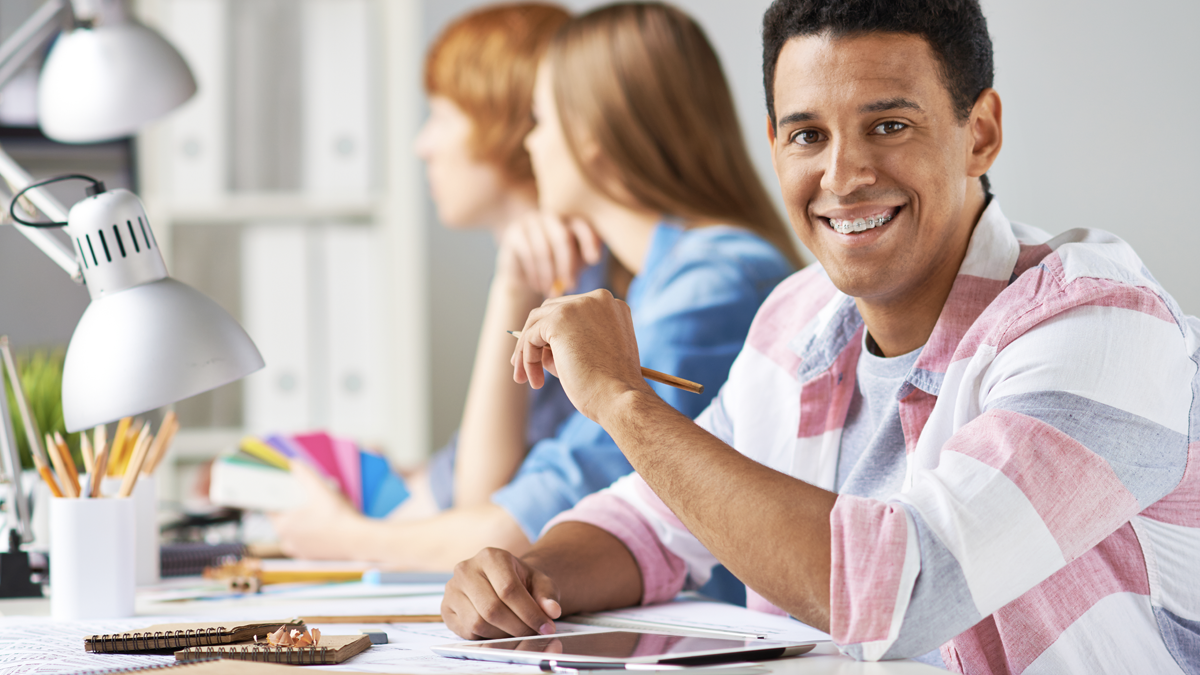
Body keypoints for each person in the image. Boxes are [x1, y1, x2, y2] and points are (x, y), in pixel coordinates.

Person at [440, 0, 1200, 673]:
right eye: (808, 135)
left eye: (890, 125)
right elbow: (651, 521)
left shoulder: (1099, 326)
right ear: (773, 145)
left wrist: (620, 398)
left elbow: (903, 588)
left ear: (981, 134)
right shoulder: (797, 317)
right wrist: (526, 578)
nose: (844, 175)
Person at [270, 1, 800, 573]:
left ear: (590, 133)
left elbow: (520, 522)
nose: (530, 145)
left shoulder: (710, 282)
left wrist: (342, 536)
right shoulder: (659, 282)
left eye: (541, 121)